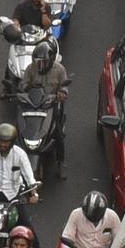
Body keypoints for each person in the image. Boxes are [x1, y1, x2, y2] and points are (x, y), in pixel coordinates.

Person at [20, 43, 71, 178]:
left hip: (50, 105)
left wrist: (61, 94)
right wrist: (29, 87)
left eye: (44, 62)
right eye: (38, 62)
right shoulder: (31, 69)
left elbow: (64, 89)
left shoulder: (60, 70)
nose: (40, 66)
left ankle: (60, 162)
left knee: (57, 133)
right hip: (34, 104)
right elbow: (23, 85)